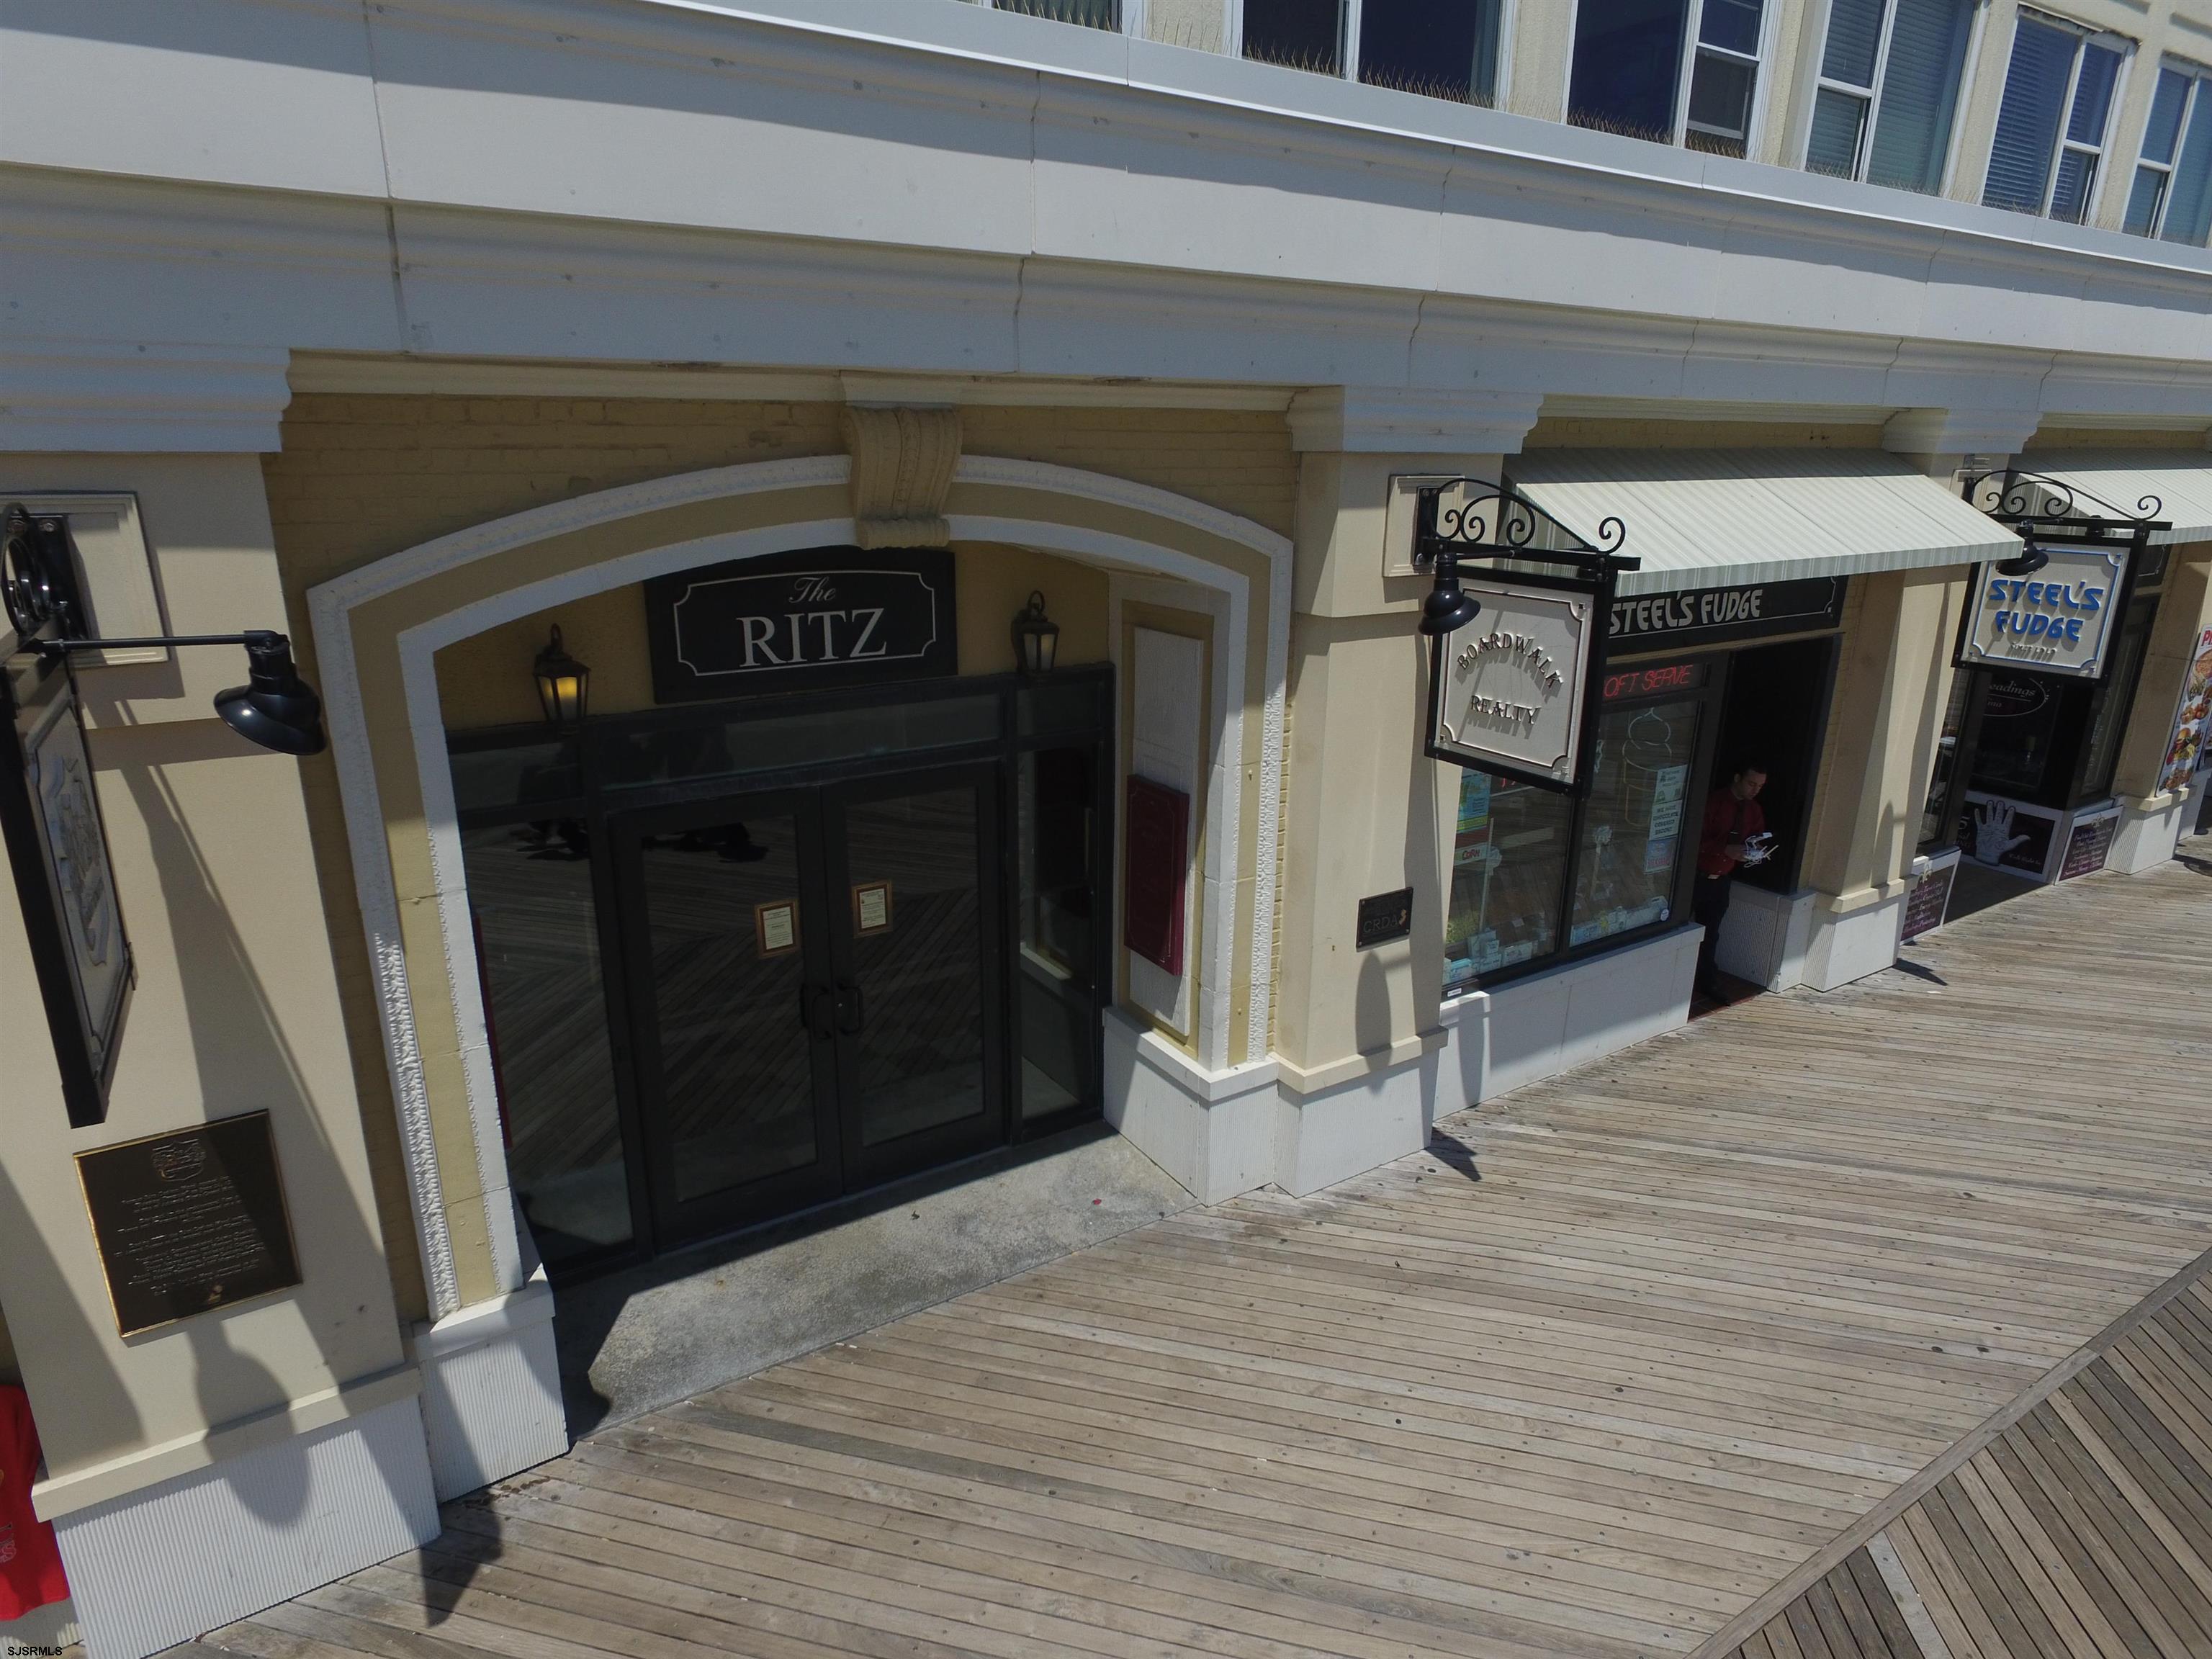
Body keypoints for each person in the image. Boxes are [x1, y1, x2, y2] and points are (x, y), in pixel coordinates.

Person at [1693, 760, 1768, 1000]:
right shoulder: (1714, 802)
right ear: (1737, 778)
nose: (1755, 790)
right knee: (1681, 928)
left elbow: (1756, 836)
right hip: (1696, 876)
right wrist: (1724, 849)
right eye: (1751, 783)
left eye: (1760, 786)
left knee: (1711, 932)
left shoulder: (1753, 809)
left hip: (1722, 879)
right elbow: (1694, 838)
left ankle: (1706, 981)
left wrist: (1754, 851)